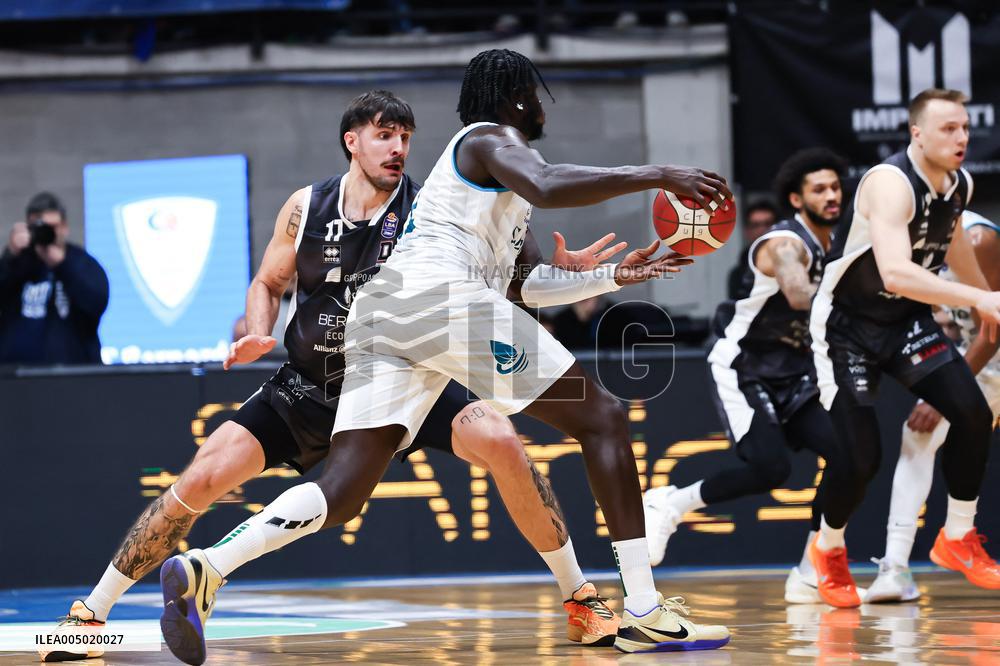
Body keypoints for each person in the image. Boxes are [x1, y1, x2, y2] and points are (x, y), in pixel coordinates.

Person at [41, 90, 657, 663]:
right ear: (351, 142)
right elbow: (268, 282)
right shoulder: (306, 206)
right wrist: (257, 329)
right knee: (199, 479)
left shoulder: (432, 205)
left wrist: (571, 276)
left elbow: (514, 279)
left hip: (408, 372)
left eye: (406, 137)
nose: (398, 148)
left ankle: (579, 596)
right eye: (384, 135)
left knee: (501, 442)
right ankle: (89, 616)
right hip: (308, 385)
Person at [170, 49, 733, 658]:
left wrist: (618, 277)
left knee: (344, 490)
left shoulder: (493, 184)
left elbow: (523, 285)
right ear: (512, 97)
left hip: (387, 315)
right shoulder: (486, 139)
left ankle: (211, 565)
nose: (542, 106)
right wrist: (658, 173)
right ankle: (644, 609)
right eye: (534, 94)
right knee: (602, 418)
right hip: (443, 303)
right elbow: (546, 186)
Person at [809, 88, 1000, 608]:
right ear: (917, 133)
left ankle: (957, 536)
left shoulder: (959, 182)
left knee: (971, 413)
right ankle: (828, 548)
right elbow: (896, 271)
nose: (961, 137)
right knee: (860, 458)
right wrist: (982, 296)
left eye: (964, 128)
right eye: (947, 129)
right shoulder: (890, 183)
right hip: (847, 325)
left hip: (904, 320)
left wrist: (984, 302)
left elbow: (952, 242)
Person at [642, 148, 855, 607]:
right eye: (819, 189)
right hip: (744, 364)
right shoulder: (784, 244)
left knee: (848, 457)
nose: (832, 195)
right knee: (770, 468)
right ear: (797, 200)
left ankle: (809, 570)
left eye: (835, 186)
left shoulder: (835, 243)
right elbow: (799, 293)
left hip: (795, 371)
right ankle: (670, 503)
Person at [866, 209, 1000, 602]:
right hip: (978, 347)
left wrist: (943, 395)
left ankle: (919, 556)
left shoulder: (978, 240)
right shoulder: (899, 240)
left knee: (927, 425)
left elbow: (994, 328)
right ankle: (895, 568)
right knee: (918, 437)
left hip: (993, 346)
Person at [0, 192, 108, 365]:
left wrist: (61, 264)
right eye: (39, 227)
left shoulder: (80, 261)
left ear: (64, 227)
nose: (46, 233)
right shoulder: (18, 263)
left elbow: (97, 302)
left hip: (74, 376)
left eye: (52, 227)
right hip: (17, 379)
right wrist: (10, 255)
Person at [727, 200, 779, 300]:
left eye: (768, 223)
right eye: (756, 225)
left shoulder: (791, 260)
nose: (762, 230)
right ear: (747, 231)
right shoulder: (738, 275)